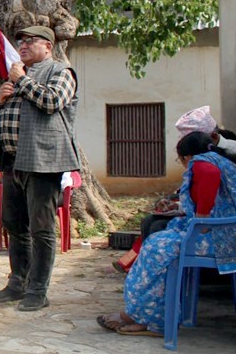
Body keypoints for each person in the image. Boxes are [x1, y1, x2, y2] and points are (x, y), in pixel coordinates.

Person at [98, 132, 236, 336]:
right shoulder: (219, 160)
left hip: (217, 239)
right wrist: (178, 207)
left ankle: (144, 317)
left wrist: (199, 221)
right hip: (222, 233)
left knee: (155, 249)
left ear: (186, 157)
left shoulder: (202, 165)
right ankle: (147, 315)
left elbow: (205, 211)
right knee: (157, 239)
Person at [0, 25, 80, 311]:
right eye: (21, 42)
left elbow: (51, 102)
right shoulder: (14, 76)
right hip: (13, 163)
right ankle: (18, 282)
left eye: (30, 42)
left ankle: (38, 290)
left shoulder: (61, 72)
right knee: (14, 225)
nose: (23, 46)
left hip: (43, 162)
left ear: (48, 46)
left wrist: (23, 80)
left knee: (41, 229)